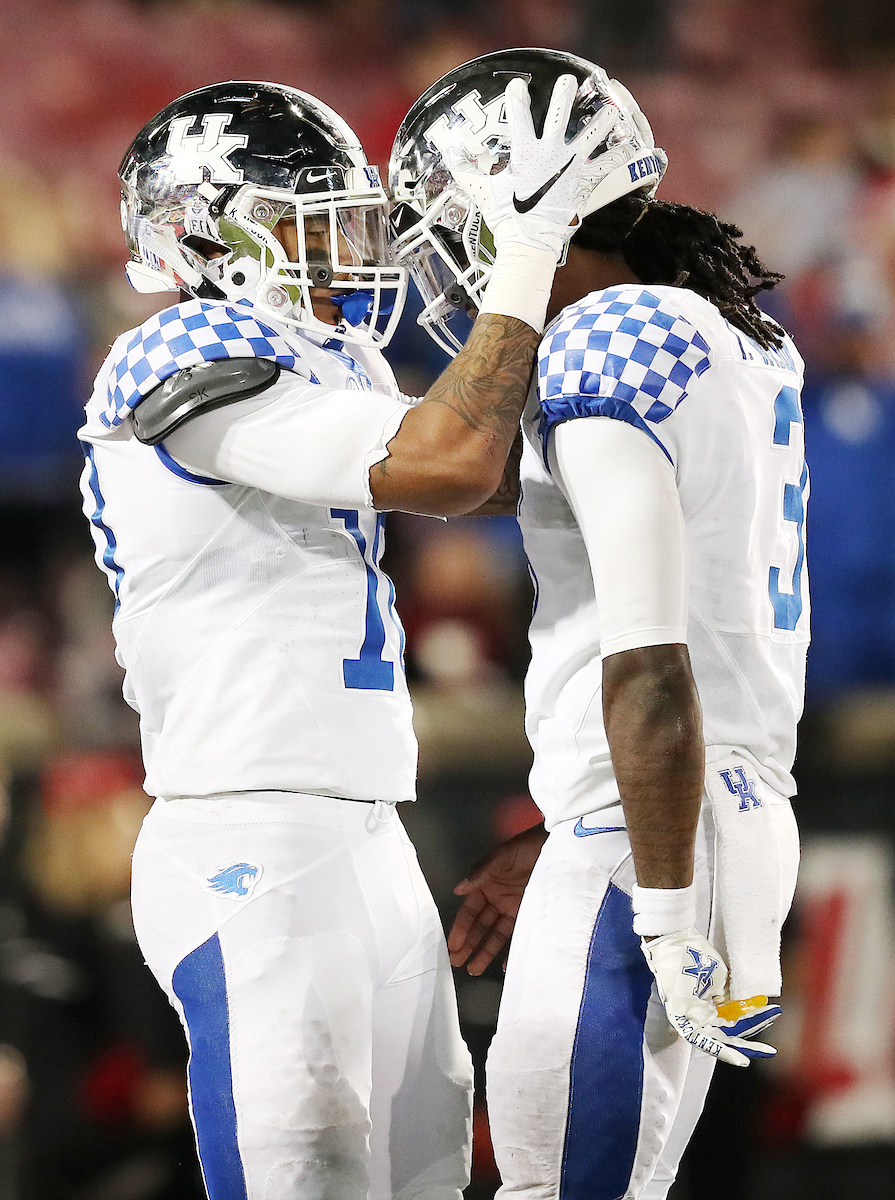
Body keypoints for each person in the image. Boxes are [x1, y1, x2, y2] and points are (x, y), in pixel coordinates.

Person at [78, 78, 618, 1200]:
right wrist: (525, 257)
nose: (345, 251)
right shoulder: (170, 352)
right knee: (305, 1178)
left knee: (422, 1176)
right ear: (206, 229)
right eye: (306, 222)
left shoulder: (343, 365)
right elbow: (452, 462)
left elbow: (537, 476)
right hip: (249, 837)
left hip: (368, 834)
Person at [389, 48, 806, 1200]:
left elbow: (653, 657)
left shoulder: (608, 336)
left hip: (656, 828)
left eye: (457, 215)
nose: (451, 249)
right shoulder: (734, 333)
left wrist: (656, 894)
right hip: (707, 807)